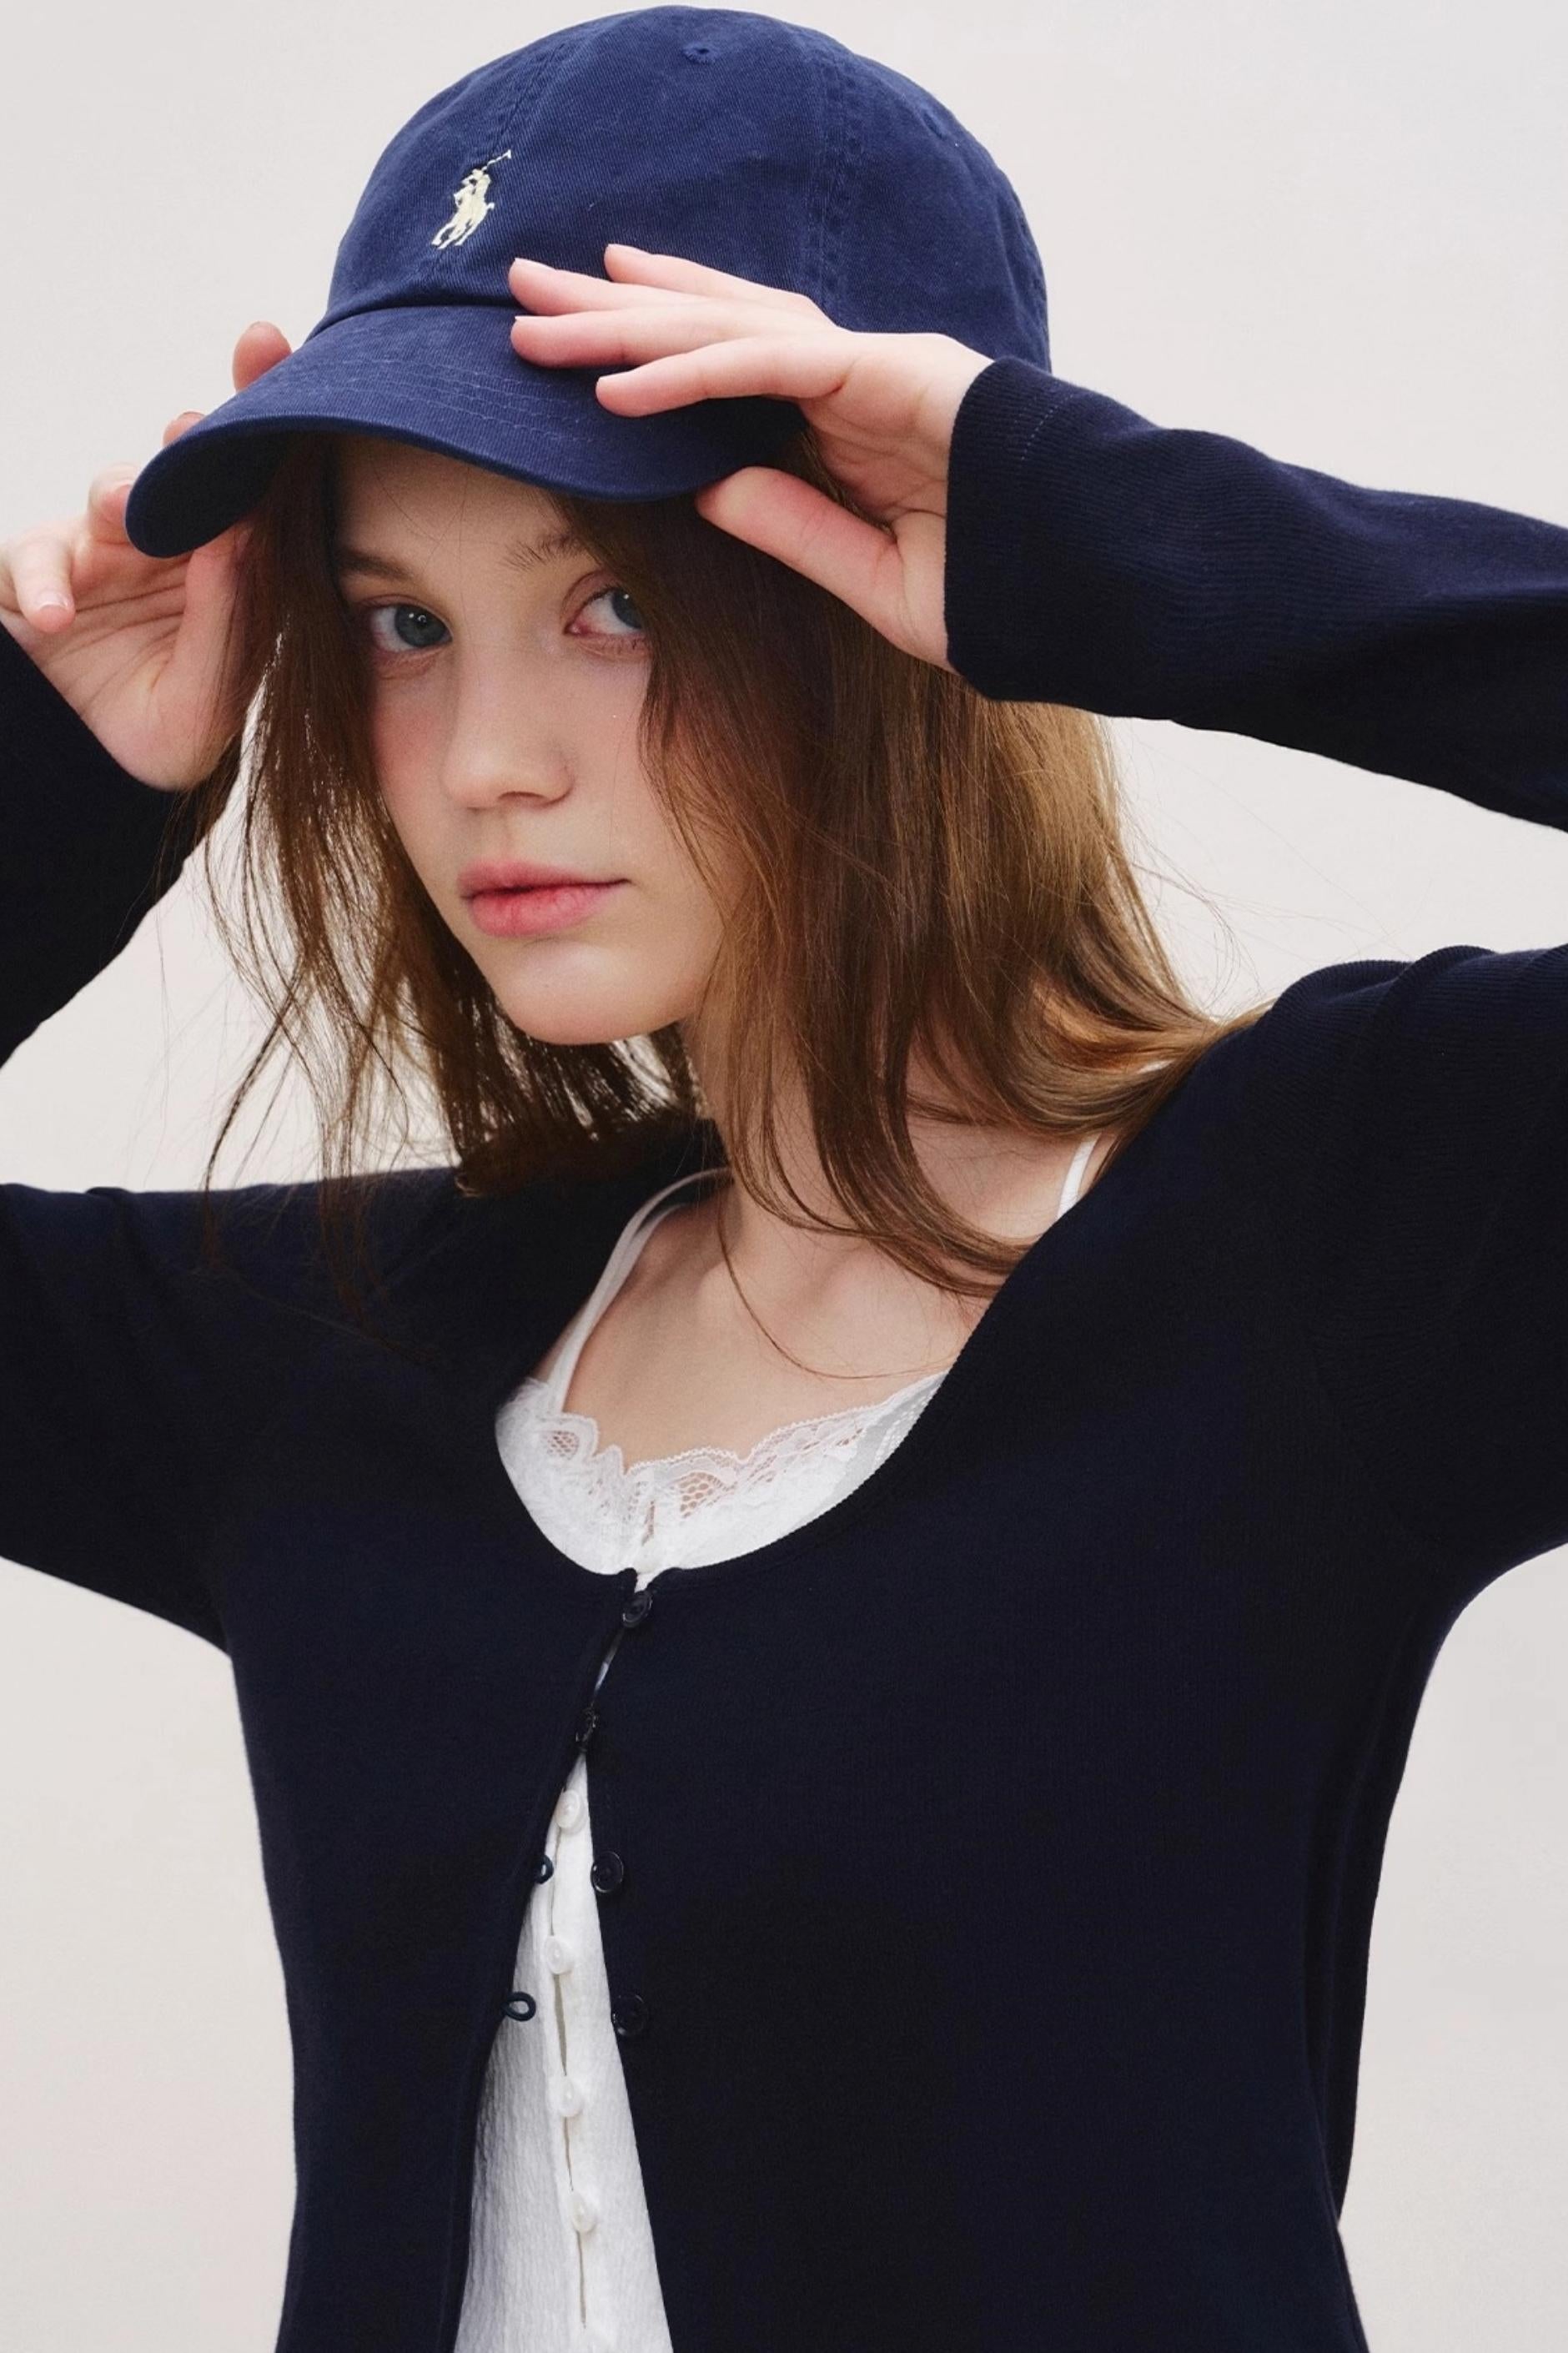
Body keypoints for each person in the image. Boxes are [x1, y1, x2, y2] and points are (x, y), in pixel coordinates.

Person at [3, 12, 1566, 2353]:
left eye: (615, 604)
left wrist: (1112, 535)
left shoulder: (1329, 1238)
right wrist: (44, 790)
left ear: (897, 584)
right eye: (405, 624)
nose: (485, 760)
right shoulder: (353, 1356)